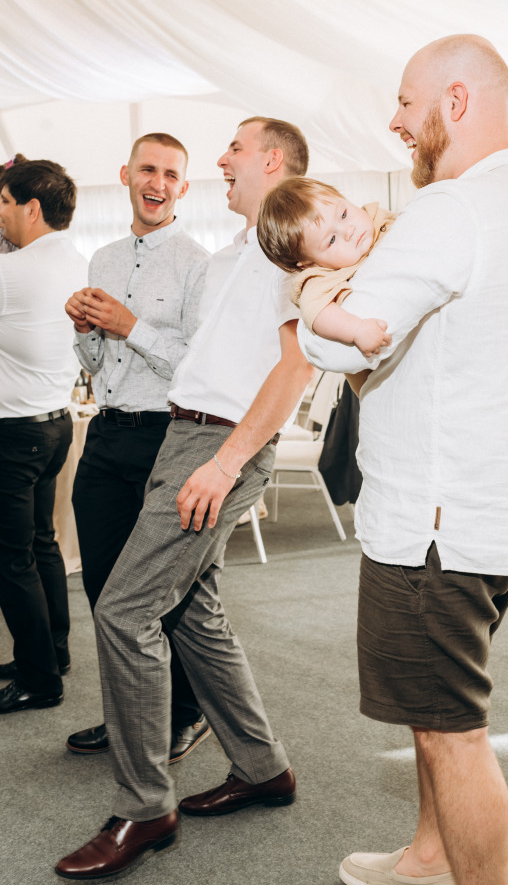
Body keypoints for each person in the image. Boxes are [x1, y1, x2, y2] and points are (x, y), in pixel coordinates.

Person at [299, 35, 508, 885]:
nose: (393, 120)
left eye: (403, 100)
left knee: (451, 733)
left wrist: (311, 295)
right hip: (496, 511)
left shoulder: (451, 208)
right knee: (434, 714)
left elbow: (351, 347)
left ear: (454, 102)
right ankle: (428, 855)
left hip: (436, 523)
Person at [55, 117, 314, 882]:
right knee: (194, 613)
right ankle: (264, 768)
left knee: (125, 609)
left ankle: (145, 808)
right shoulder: (240, 248)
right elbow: (205, 356)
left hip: (220, 445)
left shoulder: (290, 247)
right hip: (183, 433)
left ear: (270, 160)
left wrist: (226, 463)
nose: (222, 160)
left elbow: (294, 371)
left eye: (235, 148)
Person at [64, 133, 211, 763]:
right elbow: (96, 364)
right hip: (105, 435)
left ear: (184, 186)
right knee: (102, 590)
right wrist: (85, 332)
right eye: (147, 169)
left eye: (170, 174)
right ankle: (128, 713)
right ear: (126, 173)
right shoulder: (101, 258)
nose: (157, 182)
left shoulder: (197, 263)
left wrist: (131, 326)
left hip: (166, 439)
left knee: (160, 595)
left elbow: (199, 366)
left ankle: (182, 713)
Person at [0, 160, 87, 713]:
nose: (0, 213)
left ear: (31, 208)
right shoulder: (73, 260)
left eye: (4, 203)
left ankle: (40, 679)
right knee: (40, 543)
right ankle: (53, 651)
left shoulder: (14, 273)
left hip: (13, 435)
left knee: (11, 558)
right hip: (55, 426)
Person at [257, 176, 394, 393]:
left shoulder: (382, 219)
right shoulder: (319, 278)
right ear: (309, 264)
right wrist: (357, 329)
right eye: (331, 240)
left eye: (343, 214)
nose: (347, 230)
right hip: (379, 383)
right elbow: (317, 312)